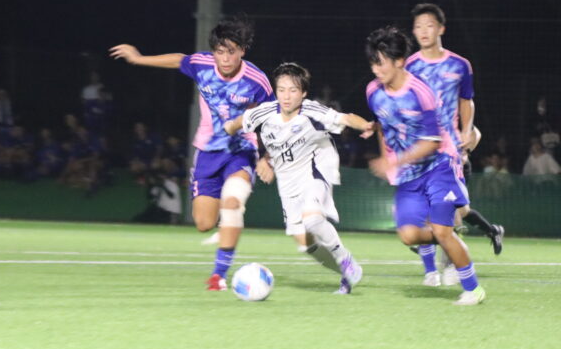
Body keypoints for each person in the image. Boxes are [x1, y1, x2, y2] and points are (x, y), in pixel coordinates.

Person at [110, 16, 273, 291]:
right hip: (207, 152)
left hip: (241, 150)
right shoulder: (202, 64)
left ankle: (218, 276)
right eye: (220, 52)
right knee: (203, 223)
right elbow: (178, 60)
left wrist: (269, 157)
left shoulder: (257, 81)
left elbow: (276, 118)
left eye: (231, 52)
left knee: (232, 203)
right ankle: (226, 221)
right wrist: (138, 59)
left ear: (243, 51)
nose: (225, 58)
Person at [224, 63, 373, 293]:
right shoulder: (264, 113)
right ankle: (346, 274)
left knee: (312, 219)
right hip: (288, 180)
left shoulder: (312, 112)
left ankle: (345, 259)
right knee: (307, 245)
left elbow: (346, 118)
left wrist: (365, 125)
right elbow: (236, 123)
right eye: (281, 89)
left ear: (303, 93)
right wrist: (229, 131)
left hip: (316, 169)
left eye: (293, 90)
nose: (286, 96)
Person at [365, 26, 485, 305]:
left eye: (381, 62)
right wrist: (389, 161)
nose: (376, 69)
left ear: (399, 61)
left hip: (439, 166)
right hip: (409, 175)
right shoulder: (373, 92)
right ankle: (448, 235)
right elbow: (383, 125)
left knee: (441, 231)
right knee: (408, 236)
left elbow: (432, 142)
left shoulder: (420, 92)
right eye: (372, 63)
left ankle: (473, 289)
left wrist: (393, 161)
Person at [406, 3, 504, 286]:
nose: (424, 31)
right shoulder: (410, 66)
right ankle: (431, 271)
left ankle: (449, 265)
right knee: (423, 212)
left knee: (449, 210)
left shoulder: (460, 65)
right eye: (418, 27)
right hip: (421, 149)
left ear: (441, 29)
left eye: (429, 25)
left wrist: (466, 133)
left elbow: (466, 101)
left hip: (448, 152)